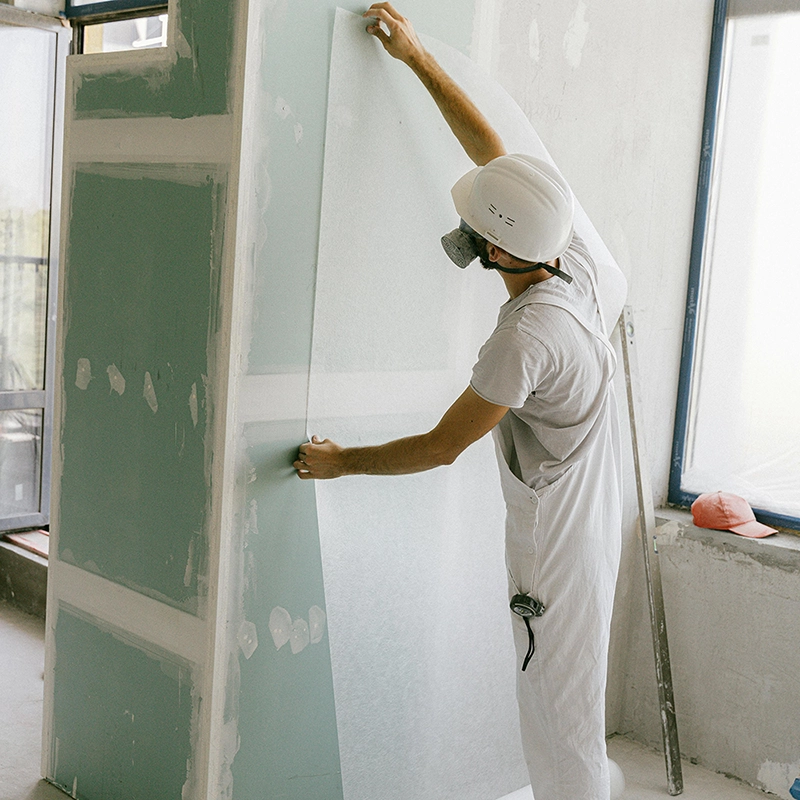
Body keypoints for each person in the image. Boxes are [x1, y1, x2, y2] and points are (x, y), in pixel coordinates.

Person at [294, 5, 624, 799]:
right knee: (566, 685)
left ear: (498, 247)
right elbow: (492, 153)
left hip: (559, 540)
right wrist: (414, 57)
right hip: (592, 503)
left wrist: (341, 465)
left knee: (556, 700)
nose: (463, 227)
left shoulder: (525, 338)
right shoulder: (566, 249)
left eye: (473, 225)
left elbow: (444, 445)